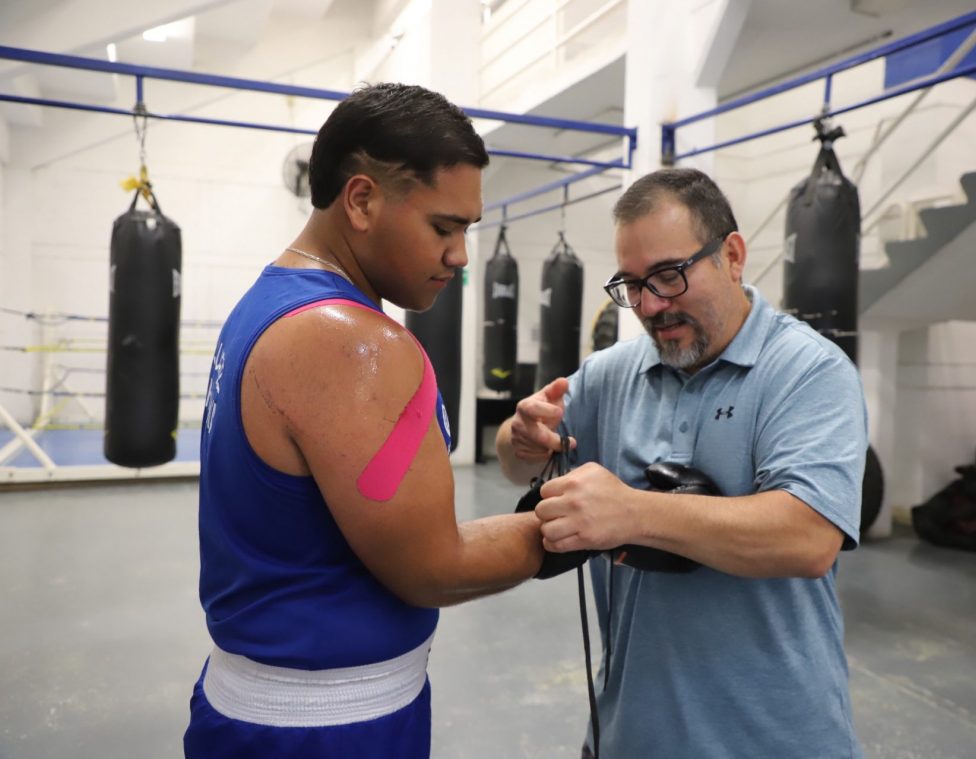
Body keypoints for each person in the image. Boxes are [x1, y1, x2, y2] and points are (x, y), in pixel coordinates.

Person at [184, 83, 544, 758]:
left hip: (275, 710)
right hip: (326, 731)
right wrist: (569, 528)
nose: (461, 256)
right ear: (361, 200)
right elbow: (432, 568)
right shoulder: (350, 340)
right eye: (444, 227)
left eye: (467, 230)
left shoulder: (270, 300)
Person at [497, 167, 868, 758]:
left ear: (732, 256)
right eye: (632, 284)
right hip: (629, 734)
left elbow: (808, 539)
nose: (650, 305)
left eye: (669, 276)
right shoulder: (610, 374)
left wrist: (632, 514)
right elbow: (520, 467)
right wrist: (520, 439)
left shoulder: (807, 371)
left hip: (773, 740)